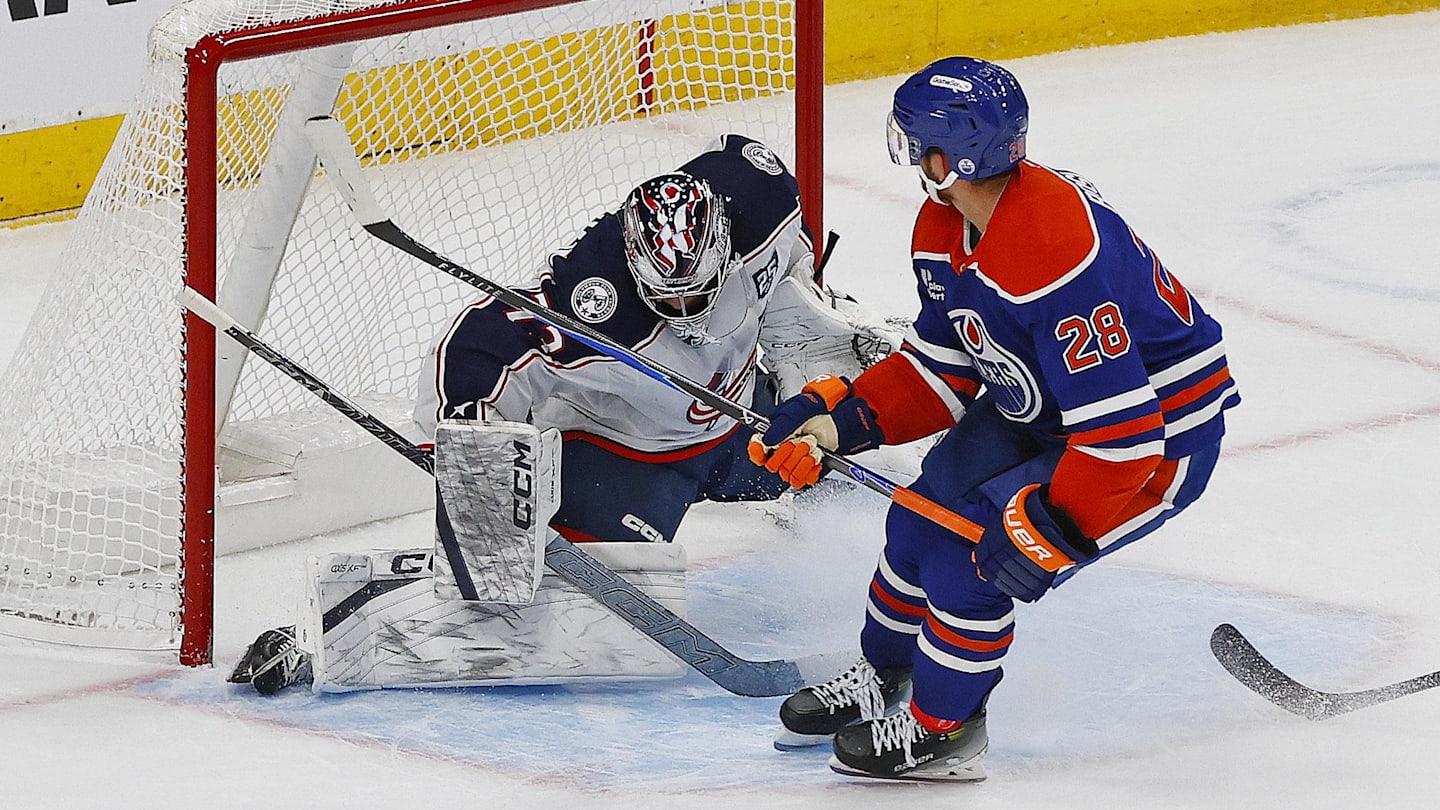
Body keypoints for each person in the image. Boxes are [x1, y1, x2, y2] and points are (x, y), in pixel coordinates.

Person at [228, 133, 901, 695]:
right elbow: (473, 346)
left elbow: (788, 270)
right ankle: (339, 632)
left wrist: (821, 332)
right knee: (566, 612)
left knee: (824, 452)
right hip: (633, 461)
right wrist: (472, 449)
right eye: (668, 300)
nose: (687, 312)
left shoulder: (764, 199)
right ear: (635, 267)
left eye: (700, 289)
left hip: (739, 414)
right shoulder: (591, 299)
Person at [749, 57, 1240, 782]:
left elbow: (1124, 433)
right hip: (1046, 405)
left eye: (916, 140)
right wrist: (837, 424)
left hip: (1156, 441)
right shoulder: (947, 226)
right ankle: (888, 675)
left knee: (971, 557)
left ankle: (948, 733)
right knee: (918, 519)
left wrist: (1056, 525)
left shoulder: (1051, 250)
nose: (910, 154)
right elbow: (942, 368)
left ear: (950, 157)